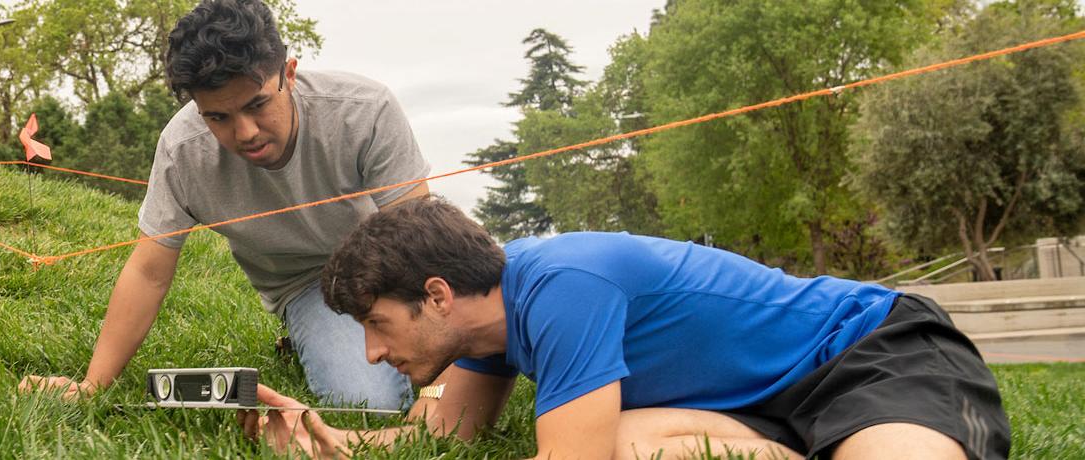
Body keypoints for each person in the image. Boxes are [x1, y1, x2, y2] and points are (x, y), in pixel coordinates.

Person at [237, 196, 1009, 459]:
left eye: (377, 324)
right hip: (758, 409)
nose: (371, 351)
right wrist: (322, 436)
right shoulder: (486, 325)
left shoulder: (565, 285)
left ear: (437, 295)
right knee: (626, 444)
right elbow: (440, 438)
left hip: (867, 351)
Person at [16, 0, 436, 411]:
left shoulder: (365, 111)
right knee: (365, 402)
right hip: (306, 285)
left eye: (257, 104)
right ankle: (312, 332)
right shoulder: (182, 151)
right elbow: (148, 272)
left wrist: (441, 381)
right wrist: (92, 385)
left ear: (288, 74)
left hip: (383, 264)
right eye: (218, 117)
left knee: (438, 353)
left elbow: (419, 245)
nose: (246, 132)